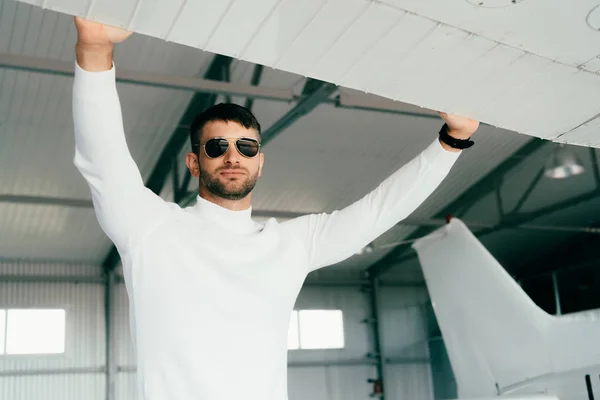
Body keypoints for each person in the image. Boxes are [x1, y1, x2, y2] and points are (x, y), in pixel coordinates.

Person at [72, 16, 479, 400]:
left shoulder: (291, 244)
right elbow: (103, 162)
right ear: (194, 162)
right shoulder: (152, 229)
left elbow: (379, 211)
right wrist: (94, 50)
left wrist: (451, 142)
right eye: (217, 147)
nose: (233, 156)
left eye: (245, 147)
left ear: (260, 161)